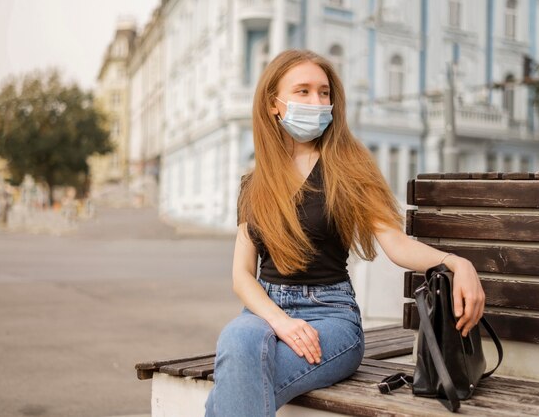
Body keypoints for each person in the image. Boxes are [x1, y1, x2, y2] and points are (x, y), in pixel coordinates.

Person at [204, 49, 485, 417]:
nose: (317, 101)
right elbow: (242, 275)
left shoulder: (349, 165)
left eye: (324, 92)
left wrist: (454, 261)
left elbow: (396, 245)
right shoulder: (255, 182)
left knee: (239, 378)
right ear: (274, 104)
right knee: (238, 338)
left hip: (330, 315)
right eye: (303, 91)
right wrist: (282, 322)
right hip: (264, 311)